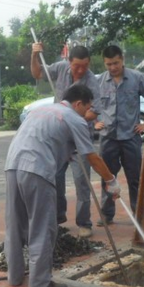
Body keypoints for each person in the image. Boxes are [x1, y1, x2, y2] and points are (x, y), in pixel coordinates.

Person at [4, 84, 121, 287]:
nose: (89, 114)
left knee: (15, 223)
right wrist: (110, 180)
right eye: (88, 108)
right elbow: (91, 156)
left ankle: (14, 276)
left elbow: (53, 140)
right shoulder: (74, 117)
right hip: (37, 170)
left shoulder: (39, 110)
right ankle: (40, 282)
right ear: (78, 103)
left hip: (12, 166)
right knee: (43, 226)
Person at [31, 43, 101, 238]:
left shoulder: (91, 81)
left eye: (85, 66)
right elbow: (37, 73)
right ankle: (58, 217)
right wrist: (34, 55)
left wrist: (73, 118)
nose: (80, 70)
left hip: (79, 138)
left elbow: (95, 110)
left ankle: (84, 222)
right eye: (76, 65)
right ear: (68, 61)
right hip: (59, 139)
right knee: (55, 178)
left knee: (82, 181)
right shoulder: (60, 68)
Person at [95, 45, 144, 226]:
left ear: (122, 60)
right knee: (107, 177)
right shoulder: (99, 81)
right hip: (108, 138)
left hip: (130, 137)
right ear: (104, 63)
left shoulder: (136, 78)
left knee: (135, 178)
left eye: (115, 63)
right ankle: (107, 214)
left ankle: (138, 214)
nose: (112, 67)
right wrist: (95, 122)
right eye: (108, 64)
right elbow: (91, 104)